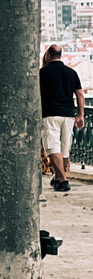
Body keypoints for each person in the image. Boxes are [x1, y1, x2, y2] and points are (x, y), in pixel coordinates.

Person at [40, 44, 85, 192]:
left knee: (53, 148)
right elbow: (79, 94)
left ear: (48, 55)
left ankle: (63, 180)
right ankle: (58, 179)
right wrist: (80, 115)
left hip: (49, 115)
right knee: (64, 148)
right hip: (68, 115)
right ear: (61, 55)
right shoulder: (71, 73)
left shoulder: (42, 73)